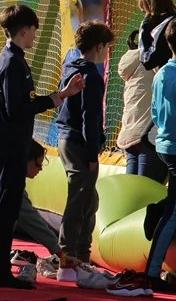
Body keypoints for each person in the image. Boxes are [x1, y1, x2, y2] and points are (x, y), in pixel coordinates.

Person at [0, 5, 84, 290]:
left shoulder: (12, 59)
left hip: (8, 142)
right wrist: (55, 98)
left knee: (4, 207)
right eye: (33, 30)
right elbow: (17, 107)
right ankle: (1, 272)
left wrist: (61, 95)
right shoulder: (13, 63)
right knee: (8, 210)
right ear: (23, 30)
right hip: (10, 144)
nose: (35, 35)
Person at [108, 17, 176, 297]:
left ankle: (161, 212)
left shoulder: (161, 74)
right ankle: (151, 271)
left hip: (165, 147)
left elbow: (156, 115)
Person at [56, 21, 114, 281]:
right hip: (80, 143)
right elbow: (91, 119)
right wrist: (92, 154)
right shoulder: (91, 75)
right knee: (79, 201)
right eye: (107, 48)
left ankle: (79, 255)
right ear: (99, 46)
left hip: (66, 139)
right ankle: (68, 259)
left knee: (89, 200)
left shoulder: (70, 67)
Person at [118, 30, 166, 182]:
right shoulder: (153, 61)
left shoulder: (131, 66)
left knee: (132, 187)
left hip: (129, 132)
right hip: (148, 134)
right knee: (146, 186)